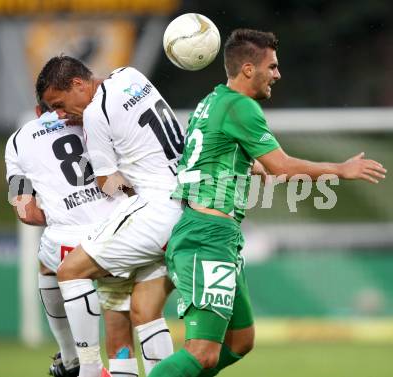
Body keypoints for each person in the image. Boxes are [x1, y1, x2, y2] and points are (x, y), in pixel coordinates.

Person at [149, 28, 387, 377]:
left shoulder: (213, 100)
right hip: (207, 237)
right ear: (248, 69)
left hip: (216, 235)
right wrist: (342, 169)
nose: (277, 74)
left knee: (240, 341)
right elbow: (283, 166)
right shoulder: (242, 107)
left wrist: (250, 163)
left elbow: (213, 152)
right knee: (202, 354)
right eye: (272, 66)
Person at [36, 57, 184, 377]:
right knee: (145, 313)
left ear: (77, 85)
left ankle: (88, 370)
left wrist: (126, 187)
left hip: (155, 213)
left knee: (70, 271)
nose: (60, 115)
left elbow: (107, 182)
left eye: (59, 105)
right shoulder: (131, 76)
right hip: (184, 203)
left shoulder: (94, 113)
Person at [5, 104, 166, 377]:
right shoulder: (96, 120)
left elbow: (26, 213)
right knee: (122, 338)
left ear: (36, 109)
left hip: (66, 244)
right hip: (121, 237)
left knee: (46, 264)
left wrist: (60, 212)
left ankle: (71, 357)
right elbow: (131, 180)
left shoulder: (18, 141)